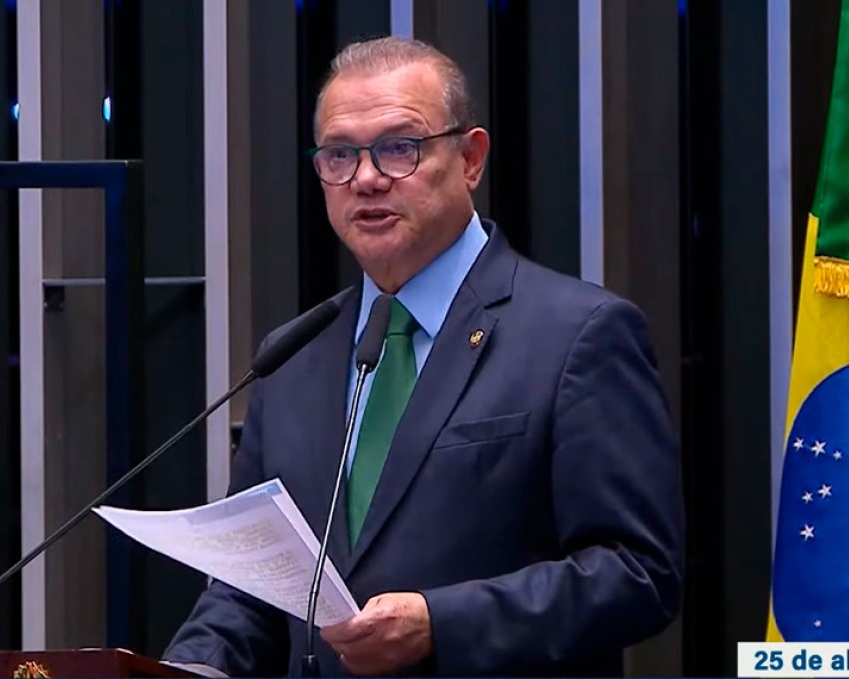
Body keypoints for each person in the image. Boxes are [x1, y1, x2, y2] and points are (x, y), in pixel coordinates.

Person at [164, 36, 683, 677]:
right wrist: (193, 668)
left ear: (470, 159)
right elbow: (248, 586)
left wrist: (441, 622)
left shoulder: (579, 335)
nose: (366, 179)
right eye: (339, 155)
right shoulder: (292, 355)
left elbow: (639, 573)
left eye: (399, 148)